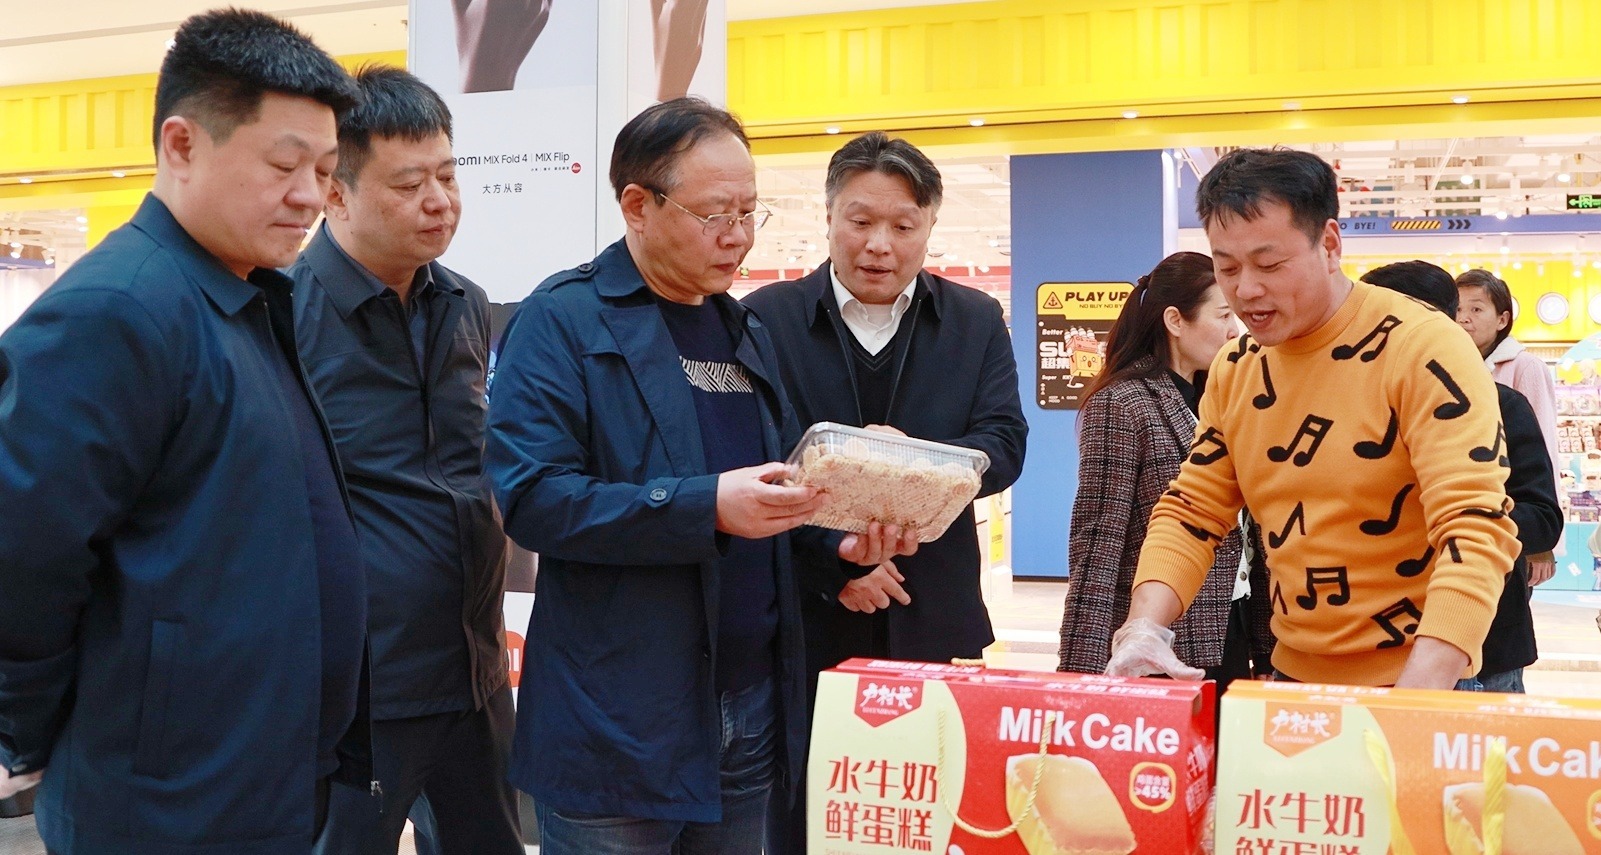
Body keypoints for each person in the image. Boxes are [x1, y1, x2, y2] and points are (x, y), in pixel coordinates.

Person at [485, 97, 916, 854]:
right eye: (716, 214)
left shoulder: (740, 326)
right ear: (637, 205)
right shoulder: (564, 320)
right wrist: (706, 507)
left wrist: (836, 546)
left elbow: (775, 488)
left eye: (750, 212)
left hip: (748, 708)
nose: (738, 236)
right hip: (619, 724)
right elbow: (534, 499)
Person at [0, 10, 373, 854]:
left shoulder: (243, 296)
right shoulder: (118, 310)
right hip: (167, 794)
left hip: (255, 770)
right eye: (284, 164)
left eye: (323, 170)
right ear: (182, 145)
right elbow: (24, 556)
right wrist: (23, 735)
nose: (310, 195)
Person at [1106, 148, 1517, 690]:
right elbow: (1193, 509)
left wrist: (1421, 691)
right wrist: (1144, 626)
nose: (1245, 289)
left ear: (1329, 244)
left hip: (1421, 674)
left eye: (1269, 264)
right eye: (1226, 267)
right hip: (1293, 673)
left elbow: (1475, 521)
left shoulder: (1423, 347)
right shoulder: (1238, 366)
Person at [741, 131, 1028, 853]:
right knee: (809, 814)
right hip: (807, 615)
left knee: (925, 809)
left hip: (932, 610)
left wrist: (918, 465)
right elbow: (747, 461)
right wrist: (836, 562)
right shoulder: (766, 318)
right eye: (861, 220)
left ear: (929, 226)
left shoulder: (973, 320)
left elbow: (1004, 444)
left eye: (903, 225)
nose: (880, 245)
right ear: (828, 216)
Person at [290, 66, 523, 855]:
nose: (439, 201)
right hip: (362, 689)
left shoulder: (464, 303)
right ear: (336, 192)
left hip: (474, 668)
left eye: (447, 176)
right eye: (409, 183)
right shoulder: (283, 314)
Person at [1058, 251, 1273, 690]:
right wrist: (1079, 672)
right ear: (1176, 321)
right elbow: (1098, 541)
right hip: (1157, 642)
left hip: (1231, 628)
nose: (1235, 331)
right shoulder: (1122, 403)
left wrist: (1265, 645)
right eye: (1223, 314)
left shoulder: (1221, 400)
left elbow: (1248, 534)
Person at [1361, 261, 1563, 694]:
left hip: (1487, 642)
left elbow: (1543, 516)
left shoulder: (1503, 404)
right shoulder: (1356, 411)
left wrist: (1465, 521)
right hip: (1373, 640)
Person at [1457, 268, 1562, 582]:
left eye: (1476, 309)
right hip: (1470, 521)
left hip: (1514, 518)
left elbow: (1544, 451)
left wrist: (1543, 544)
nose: (1464, 319)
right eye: (1457, 309)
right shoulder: (1452, 363)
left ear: (1502, 319)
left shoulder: (1525, 366)